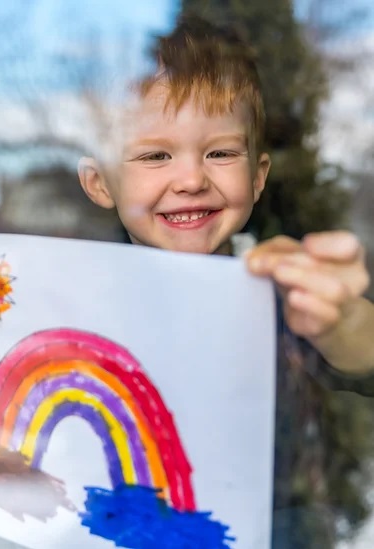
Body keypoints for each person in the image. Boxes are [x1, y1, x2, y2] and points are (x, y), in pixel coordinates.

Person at [76, 15, 374, 547]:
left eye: (220, 153)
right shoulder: (76, 295)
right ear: (100, 183)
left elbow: (361, 352)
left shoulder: (277, 282)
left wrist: (343, 320)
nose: (191, 179)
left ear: (257, 177)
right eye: (154, 155)